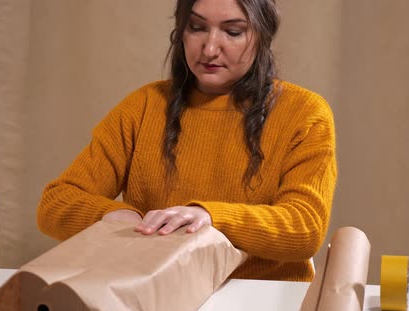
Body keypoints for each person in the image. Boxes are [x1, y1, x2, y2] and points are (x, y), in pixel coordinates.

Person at [37, 0, 336, 282]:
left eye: (233, 31)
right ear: (180, 31)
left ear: (263, 35)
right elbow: (55, 203)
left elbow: (304, 228)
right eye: (197, 27)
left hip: (263, 300)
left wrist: (208, 216)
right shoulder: (144, 107)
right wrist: (117, 216)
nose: (209, 48)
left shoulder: (304, 113)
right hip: (155, 297)